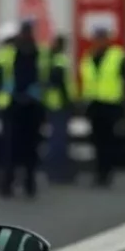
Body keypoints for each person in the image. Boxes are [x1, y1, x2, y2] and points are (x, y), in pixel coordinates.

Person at [0, 20, 46, 198]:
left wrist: (36, 92)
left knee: (30, 148)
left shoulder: (40, 53)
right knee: (10, 149)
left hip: (32, 107)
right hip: (12, 106)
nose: (26, 35)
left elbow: (44, 77)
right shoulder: (8, 54)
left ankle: (29, 184)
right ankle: (7, 184)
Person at [78, 25, 125, 187]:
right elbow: (86, 82)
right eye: (97, 38)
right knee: (97, 141)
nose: (99, 42)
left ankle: (106, 173)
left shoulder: (117, 56)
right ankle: (99, 172)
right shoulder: (88, 58)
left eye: (102, 38)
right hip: (94, 105)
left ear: (107, 40)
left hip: (111, 104)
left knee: (109, 141)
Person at [43, 34, 76, 184]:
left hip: (52, 104)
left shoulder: (50, 60)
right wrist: (69, 102)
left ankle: (54, 170)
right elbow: (62, 84)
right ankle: (58, 171)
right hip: (59, 105)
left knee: (55, 139)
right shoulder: (59, 61)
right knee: (59, 140)